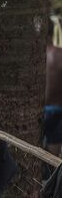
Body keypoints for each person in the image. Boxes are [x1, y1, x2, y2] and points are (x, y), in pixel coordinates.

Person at [45, 17, 62, 156]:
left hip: (37, 113)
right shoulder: (60, 54)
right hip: (57, 111)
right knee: (53, 158)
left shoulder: (33, 57)